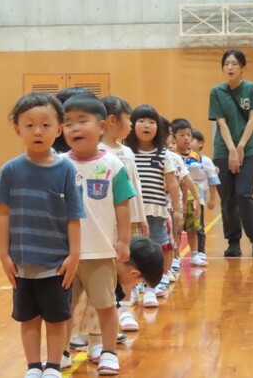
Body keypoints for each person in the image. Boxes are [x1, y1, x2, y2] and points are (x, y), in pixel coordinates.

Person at [0, 92, 85, 378]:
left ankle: (53, 366)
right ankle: (33, 366)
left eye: (46, 125)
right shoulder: (10, 171)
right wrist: (4, 255)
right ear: (17, 129)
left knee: (57, 318)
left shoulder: (66, 170)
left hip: (57, 264)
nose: (37, 131)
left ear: (59, 129)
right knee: (28, 318)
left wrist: (74, 255)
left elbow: (74, 216)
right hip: (22, 264)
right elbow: (3, 214)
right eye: (29, 125)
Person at [61, 95, 136, 375]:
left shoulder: (113, 165)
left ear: (102, 126)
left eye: (82, 121)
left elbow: (122, 204)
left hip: (101, 252)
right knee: (64, 308)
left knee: (106, 305)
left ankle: (108, 352)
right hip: (65, 255)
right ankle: (61, 352)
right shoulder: (59, 164)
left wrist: (124, 240)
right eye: (68, 123)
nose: (75, 128)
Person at [208, 49, 253, 258]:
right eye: (226, 64)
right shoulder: (216, 92)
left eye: (234, 63)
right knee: (227, 198)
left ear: (242, 67)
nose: (230, 67)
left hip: (248, 149)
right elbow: (221, 123)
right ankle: (233, 241)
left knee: (244, 193)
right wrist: (232, 150)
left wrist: (241, 147)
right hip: (223, 151)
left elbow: (252, 119)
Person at [124, 105, 182, 308]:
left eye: (151, 121)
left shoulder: (164, 154)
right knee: (130, 252)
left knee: (157, 250)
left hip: (156, 211)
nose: (146, 125)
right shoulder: (126, 153)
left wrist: (177, 210)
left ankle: (151, 289)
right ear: (132, 125)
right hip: (132, 212)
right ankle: (131, 289)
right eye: (141, 121)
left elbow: (172, 183)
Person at [99, 95, 148, 331]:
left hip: (132, 219)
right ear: (111, 120)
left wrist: (142, 216)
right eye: (127, 119)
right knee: (108, 269)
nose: (131, 124)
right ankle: (104, 315)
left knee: (129, 265)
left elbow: (135, 189)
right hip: (109, 222)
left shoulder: (127, 152)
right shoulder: (99, 152)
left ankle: (125, 310)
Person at [170, 118, 205, 267]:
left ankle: (195, 255)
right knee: (176, 229)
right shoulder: (171, 157)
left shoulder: (196, 156)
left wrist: (199, 198)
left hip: (192, 198)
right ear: (173, 137)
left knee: (193, 228)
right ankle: (175, 256)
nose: (186, 138)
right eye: (182, 135)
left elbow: (198, 178)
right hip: (177, 199)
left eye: (189, 135)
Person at [190, 128, 221, 257]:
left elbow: (213, 180)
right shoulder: (179, 158)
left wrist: (212, 199)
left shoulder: (205, 161)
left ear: (200, 143)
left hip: (199, 200)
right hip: (182, 200)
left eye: (191, 139)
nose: (188, 141)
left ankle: (201, 252)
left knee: (198, 227)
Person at [53, 87, 97, 154]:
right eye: (69, 123)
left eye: (83, 121)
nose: (77, 128)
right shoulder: (51, 155)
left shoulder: (104, 155)